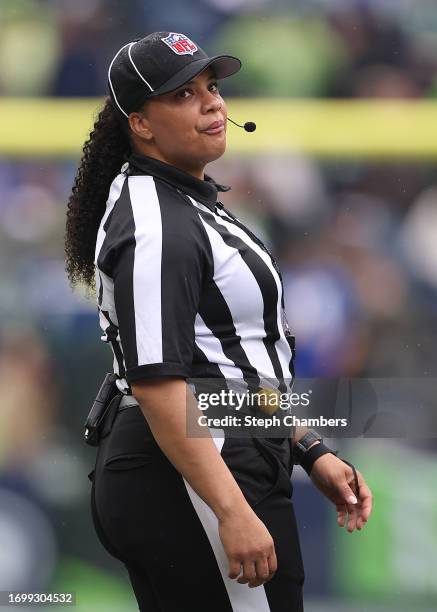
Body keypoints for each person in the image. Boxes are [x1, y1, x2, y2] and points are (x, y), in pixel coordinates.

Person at [65, 31, 373, 612]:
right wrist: (231, 509)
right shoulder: (157, 218)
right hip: (192, 469)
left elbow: (229, 364)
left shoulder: (187, 202)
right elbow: (160, 384)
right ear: (142, 124)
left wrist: (308, 448)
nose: (212, 103)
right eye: (183, 93)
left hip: (217, 455)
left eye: (211, 86)